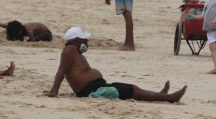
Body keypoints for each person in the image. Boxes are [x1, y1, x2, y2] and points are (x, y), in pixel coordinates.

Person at [44, 27, 186, 102]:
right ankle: (170, 98)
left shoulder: (75, 51)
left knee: (131, 89)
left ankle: (160, 95)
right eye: (84, 40)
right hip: (91, 90)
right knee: (132, 90)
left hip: (96, 86)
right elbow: (61, 70)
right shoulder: (70, 49)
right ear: (75, 40)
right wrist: (54, 90)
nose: (87, 43)